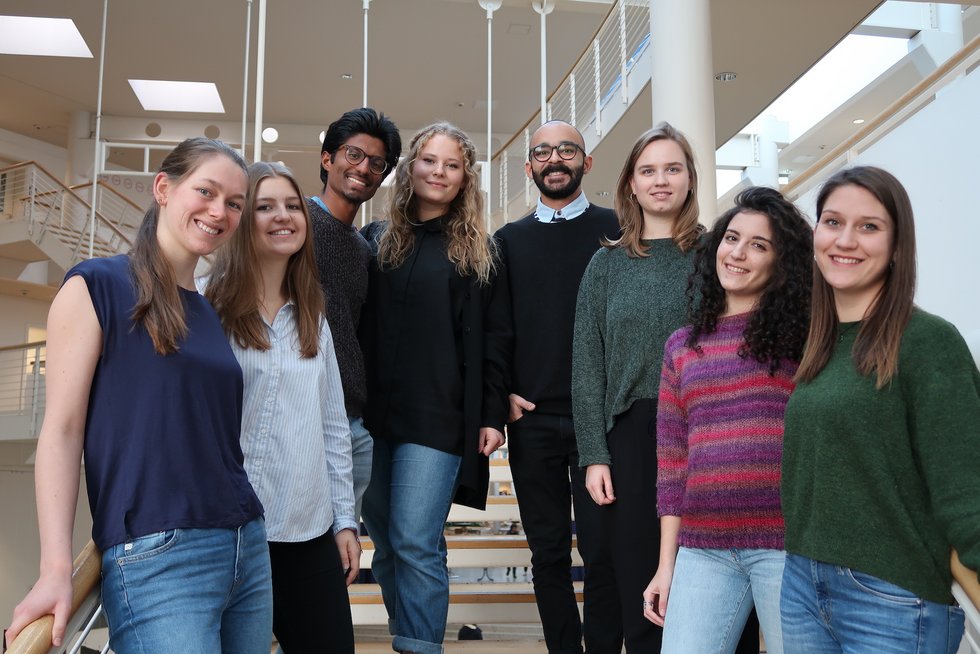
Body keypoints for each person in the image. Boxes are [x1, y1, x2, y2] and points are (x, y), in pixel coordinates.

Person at [5, 138, 271, 653]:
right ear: (163, 189)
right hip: (158, 553)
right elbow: (61, 431)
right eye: (206, 191)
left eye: (234, 203)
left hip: (245, 542)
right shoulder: (95, 286)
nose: (220, 211)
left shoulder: (209, 312)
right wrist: (56, 568)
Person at [572, 122, 763, 652]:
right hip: (632, 438)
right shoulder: (606, 264)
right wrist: (594, 453)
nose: (661, 180)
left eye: (672, 168)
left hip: (712, 432)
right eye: (648, 170)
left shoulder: (718, 256)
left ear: (690, 179)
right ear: (630, 183)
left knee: (721, 578)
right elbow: (588, 363)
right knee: (642, 586)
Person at [780, 166, 980, 653]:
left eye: (869, 226)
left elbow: (965, 493)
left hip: (892, 598)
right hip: (803, 584)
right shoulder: (820, 345)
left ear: (896, 245)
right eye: (832, 222)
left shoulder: (928, 341)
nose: (845, 240)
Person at [642, 186, 812, 654]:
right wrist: (665, 565)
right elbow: (673, 466)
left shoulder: (804, 338)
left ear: (782, 263)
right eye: (732, 238)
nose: (737, 253)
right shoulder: (681, 346)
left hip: (786, 546)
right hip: (703, 549)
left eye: (758, 245)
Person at [359, 122, 508, 654]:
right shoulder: (376, 240)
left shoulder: (478, 251)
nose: (438, 172)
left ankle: (421, 648)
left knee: (416, 541)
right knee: (386, 548)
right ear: (410, 168)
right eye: (428, 160)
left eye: (451, 164)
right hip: (372, 419)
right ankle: (408, 639)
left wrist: (490, 413)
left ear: (465, 177)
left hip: (438, 419)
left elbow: (495, 339)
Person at [205, 162, 358, 653]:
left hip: (307, 527)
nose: (283, 216)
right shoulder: (212, 309)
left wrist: (346, 522)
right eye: (266, 206)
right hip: (230, 530)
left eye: (293, 206)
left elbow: (334, 429)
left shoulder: (315, 317)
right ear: (243, 218)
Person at [489, 120, 623, 653]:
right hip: (534, 421)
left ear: (586, 163)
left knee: (603, 551)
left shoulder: (617, 231)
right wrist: (500, 393)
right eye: (542, 152)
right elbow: (497, 329)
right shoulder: (507, 242)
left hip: (602, 423)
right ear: (529, 168)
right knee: (547, 553)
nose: (555, 159)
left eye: (567, 149)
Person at [309, 107, 402, 521]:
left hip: (349, 421)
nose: (363, 168)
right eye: (353, 154)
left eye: (377, 163)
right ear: (327, 158)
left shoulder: (365, 248)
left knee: (338, 553)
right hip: (300, 414)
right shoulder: (295, 223)